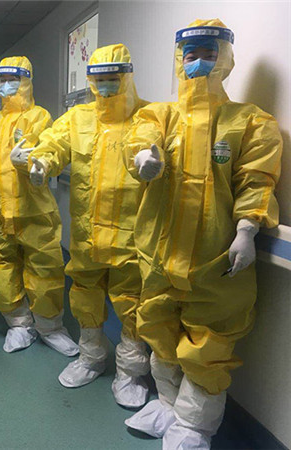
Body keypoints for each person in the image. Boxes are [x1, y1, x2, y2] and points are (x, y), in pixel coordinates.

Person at [123, 19, 282, 448]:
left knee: (208, 345)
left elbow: (257, 180)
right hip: (160, 254)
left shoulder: (251, 122)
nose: (198, 63)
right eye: (190, 55)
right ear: (178, 60)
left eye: (209, 54)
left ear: (226, 59)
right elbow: (139, 140)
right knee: (158, 328)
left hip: (216, 260)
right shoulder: (159, 115)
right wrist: (142, 160)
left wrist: (247, 228)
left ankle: (194, 426)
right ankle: (166, 405)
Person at [29, 44, 150, 407]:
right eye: (100, 79)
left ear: (127, 76)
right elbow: (53, 144)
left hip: (132, 237)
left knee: (132, 304)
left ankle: (130, 372)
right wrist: (41, 163)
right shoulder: (77, 118)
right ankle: (91, 358)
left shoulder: (150, 116)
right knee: (85, 296)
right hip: (87, 235)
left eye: (114, 77)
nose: (106, 85)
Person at [0, 56, 78, 355]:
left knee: (45, 268)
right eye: (1, 79)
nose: (6, 85)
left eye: (12, 79)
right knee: (5, 267)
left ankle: (50, 327)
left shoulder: (39, 116)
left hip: (33, 209)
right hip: (0, 211)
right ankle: (18, 324)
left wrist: (33, 165)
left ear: (26, 81)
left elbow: (46, 149)